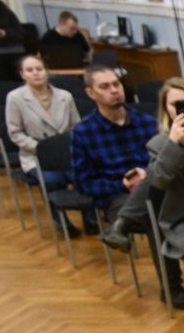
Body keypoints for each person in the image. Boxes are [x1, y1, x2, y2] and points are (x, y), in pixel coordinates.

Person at [98, 77, 184, 311]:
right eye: (175, 105)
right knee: (152, 188)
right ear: (166, 110)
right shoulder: (159, 143)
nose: (182, 109)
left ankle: (123, 222)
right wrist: (175, 144)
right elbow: (159, 179)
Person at [66, 65, 156, 236]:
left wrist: (145, 175)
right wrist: (121, 184)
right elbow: (84, 183)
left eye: (117, 84)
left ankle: (118, 231)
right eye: (105, 86)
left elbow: (163, 161)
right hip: (116, 196)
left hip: (152, 185)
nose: (114, 90)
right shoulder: (84, 132)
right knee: (149, 215)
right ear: (91, 93)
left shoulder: (146, 122)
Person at [4, 53, 78, 193]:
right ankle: (56, 214)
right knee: (53, 180)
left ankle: (90, 215)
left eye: (39, 69)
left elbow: (76, 126)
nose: (36, 73)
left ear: (46, 71)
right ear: (22, 74)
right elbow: (15, 132)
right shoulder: (15, 98)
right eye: (30, 70)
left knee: (84, 177)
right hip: (36, 155)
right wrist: (42, 148)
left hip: (66, 152)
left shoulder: (65, 96)